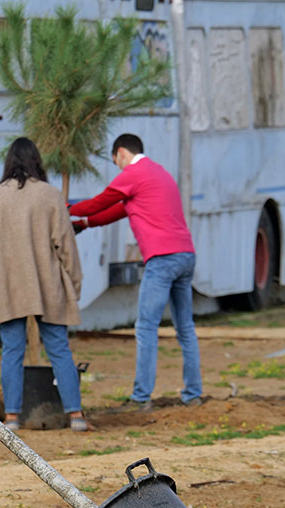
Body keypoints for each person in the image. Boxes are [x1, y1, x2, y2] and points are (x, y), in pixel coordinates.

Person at [69, 133, 203, 409]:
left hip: (162, 259)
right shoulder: (159, 173)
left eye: (115, 160)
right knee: (185, 328)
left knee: (145, 328)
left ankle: (140, 397)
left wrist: (67, 208)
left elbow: (101, 202)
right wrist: (84, 223)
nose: (116, 166)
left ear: (120, 153)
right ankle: (193, 394)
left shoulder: (134, 172)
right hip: (185, 256)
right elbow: (119, 210)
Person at [0, 137, 87, 432]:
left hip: (8, 282)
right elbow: (66, 245)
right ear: (37, 160)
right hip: (47, 281)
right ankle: (75, 415)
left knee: (11, 350)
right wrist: (74, 284)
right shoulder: (50, 195)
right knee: (59, 349)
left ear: (9, 162)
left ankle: (12, 417)